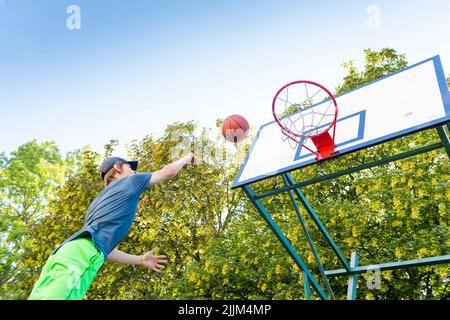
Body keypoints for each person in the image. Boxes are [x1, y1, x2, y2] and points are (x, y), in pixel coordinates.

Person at [28, 153, 199, 300]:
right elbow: (168, 172)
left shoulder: (95, 204)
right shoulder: (131, 182)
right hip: (81, 256)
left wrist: (139, 260)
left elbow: (105, 249)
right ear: (117, 167)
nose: (135, 171)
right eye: (130, 167)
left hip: (64, 253)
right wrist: (185, 159)